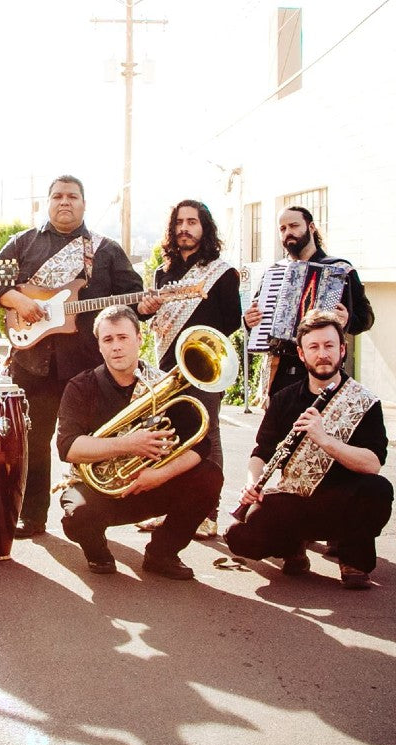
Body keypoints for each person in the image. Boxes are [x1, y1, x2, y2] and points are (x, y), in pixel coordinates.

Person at [0, 176, 143, 538]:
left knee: (94, 441)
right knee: (32, 442)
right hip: (32, 363)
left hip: (86, 367)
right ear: (48, 202)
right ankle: (32, 517)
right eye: (57, 196)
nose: (64, 201)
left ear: (84, 204)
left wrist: (146, 306)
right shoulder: (23, 243)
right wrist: (18, 300)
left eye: (72, 196)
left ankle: (94, 517)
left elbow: (134, 298)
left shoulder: (105, 250)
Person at [226, 310, 393, 590]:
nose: (322, 354)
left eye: (329, 346)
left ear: (342, 350)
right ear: (302, 354)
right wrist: (252, 484)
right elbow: (261, 452)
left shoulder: (365, 402)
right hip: (297, 499)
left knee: (378, 490)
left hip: (344, 502)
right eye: (313, 347)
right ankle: (292, 546)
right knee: (240, 537)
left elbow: (372, 464)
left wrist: (324, 439)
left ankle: (353, 558)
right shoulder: (284, 399)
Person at [56, 306, 222, 579]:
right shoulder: (81, 387)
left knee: (210, 476)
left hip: (151, 484)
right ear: (99, 346)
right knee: (77, 515)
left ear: (139, 338)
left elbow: (201, 445)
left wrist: (159, 475)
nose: (116, 346)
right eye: (108, 340)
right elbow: (68, 447)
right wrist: (129, 444)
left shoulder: (165, 384)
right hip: (99, 490)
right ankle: (97, 551)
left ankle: (162, 554)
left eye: (123, 337)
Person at [137, 200, 241, 538]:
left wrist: (201, 341)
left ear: (204, 227)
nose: (185, 228)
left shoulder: (222, 272)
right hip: (168, 367)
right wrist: (146, 310)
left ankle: (208, 514)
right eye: (179, 222)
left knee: (207, 437)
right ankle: (167, 509)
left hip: (204, 368)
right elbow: (148, 317)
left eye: (192, 221)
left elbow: (232, 321)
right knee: (170, 435)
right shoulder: (162, 272)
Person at [243, 205, 374, 398]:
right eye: (282, 228)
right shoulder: (274, 273)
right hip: (281, 373)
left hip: (323, 372)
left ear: (311, 227)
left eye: (294, 226)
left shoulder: (339, 269)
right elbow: (257, 323)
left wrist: (348, 319)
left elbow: (366, 318)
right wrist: (249, 321)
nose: (288, 232)